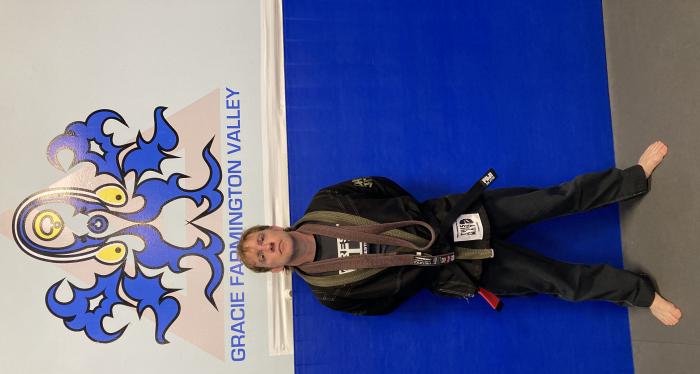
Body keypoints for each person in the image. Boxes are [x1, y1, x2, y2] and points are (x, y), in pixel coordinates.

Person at [238, 142, 682, 326]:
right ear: (273, 268)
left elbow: (380, 186)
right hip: (456, 269)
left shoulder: (325, 202)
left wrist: (423, 222)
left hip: (455, 217)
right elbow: (385, 302)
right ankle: (639, 294)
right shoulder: (328, 293)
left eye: (261, 239)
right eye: (262, 256)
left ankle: (631, 179)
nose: (266, 247)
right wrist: (425, 265)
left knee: (551, 199)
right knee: (556, 281)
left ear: (273, 227)